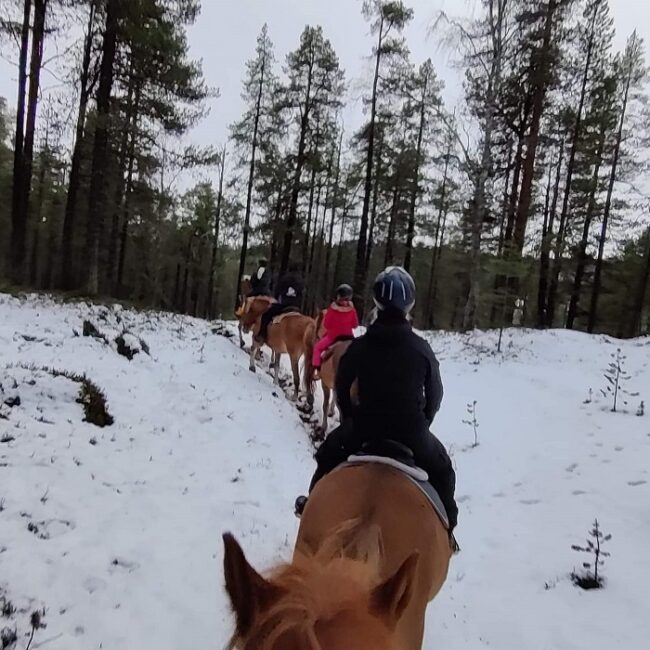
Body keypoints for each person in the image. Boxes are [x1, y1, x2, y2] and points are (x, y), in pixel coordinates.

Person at [296, 266, 458, 534]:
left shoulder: (359, 347)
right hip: (411, 432)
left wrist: (350, 421)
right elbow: (436, 395)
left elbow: (342, 387)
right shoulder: (422, 349)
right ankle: (449, 528)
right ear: (410, 305)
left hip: (363, 428)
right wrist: (421, 423)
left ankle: (311, 507)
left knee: (326, 456)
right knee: (444, 470)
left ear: (376, 303)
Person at [312, 284, 359, 378]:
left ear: (338, 297)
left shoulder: (332, 310)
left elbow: (327, 325)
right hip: (349, 337)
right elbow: (355, 325)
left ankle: (317, 370)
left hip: (333, 337)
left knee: (317, 348)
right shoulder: (352, 309)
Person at [257, 263, 305, 341]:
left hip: (284, 305)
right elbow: (302, 293)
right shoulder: (301, 280)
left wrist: (276, 298)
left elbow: (278, 290)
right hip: (296, 305)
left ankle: (262, 335)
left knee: (266, 315)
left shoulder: (285, 278)